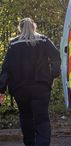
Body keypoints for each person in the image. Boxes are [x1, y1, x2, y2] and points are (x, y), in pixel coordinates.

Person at [0, 18, 61, 146]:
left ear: (20, 28)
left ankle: (29, 143)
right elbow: (56, 56)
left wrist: (2, 89)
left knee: (25, 116)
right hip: (41, 86)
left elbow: (6, 68)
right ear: (34, 27)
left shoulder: (14, 44)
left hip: (20, 88)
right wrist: (53, 74)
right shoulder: (43, 40)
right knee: (42, 118)